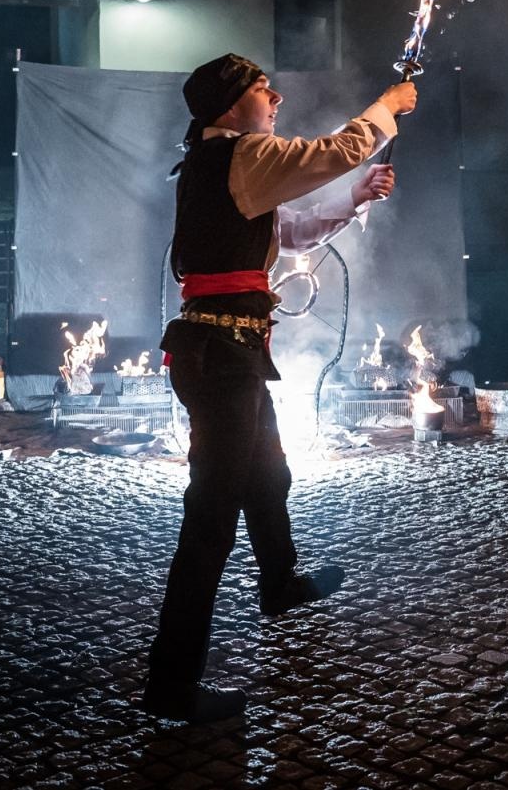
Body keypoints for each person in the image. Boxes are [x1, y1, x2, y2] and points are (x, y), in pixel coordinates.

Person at [141, 53, 417, 722]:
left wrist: (351, 200)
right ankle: (172, 683)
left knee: (269, 471)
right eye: (264, 89)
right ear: (231, 104)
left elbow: (284, 232)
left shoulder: (223, 162)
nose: (277, 96)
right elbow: (333, 150)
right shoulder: (241, 151)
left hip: (225, 353)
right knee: (210, 522)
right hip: (221, 357)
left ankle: (280, 580)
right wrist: (389, 108)